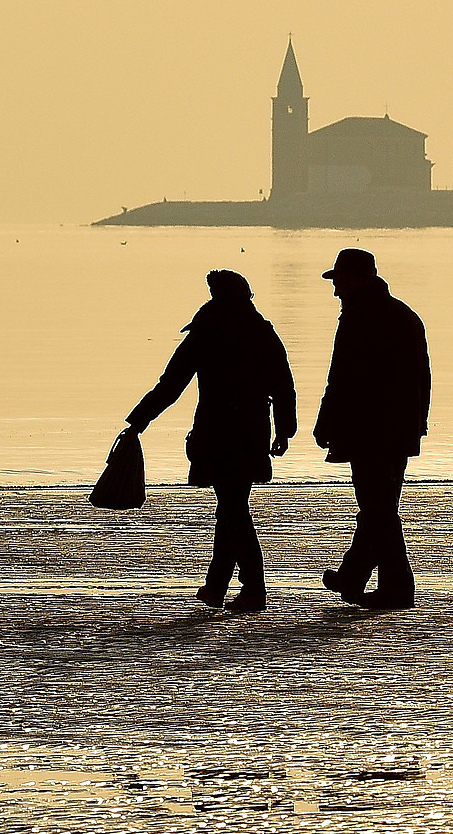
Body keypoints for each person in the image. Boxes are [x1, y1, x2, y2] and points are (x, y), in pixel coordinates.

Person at [125, 270, 296, 612]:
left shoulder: (205, 333)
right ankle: (217, 586)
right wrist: (284, 430)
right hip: (251, 431)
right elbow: (282, 384)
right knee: (232, 507)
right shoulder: (261, 332)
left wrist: (138, 420)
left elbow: (171, 385)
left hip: (218, 433)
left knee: (233, 509)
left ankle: (252, 589)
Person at [312, 248, 430, 609]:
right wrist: (416, 423)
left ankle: (397, 588)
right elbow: (421, 378)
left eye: (340, 281)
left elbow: (342, 377)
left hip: (368, 429)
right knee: (379, 506)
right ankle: (353, 575)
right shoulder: (403, 315)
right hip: (398, 427)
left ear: (358, 279)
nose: (336, 291)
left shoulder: (360, 318)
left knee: (378, 509)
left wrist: (324, 422)